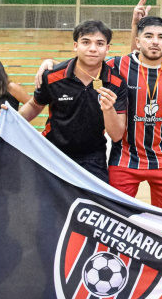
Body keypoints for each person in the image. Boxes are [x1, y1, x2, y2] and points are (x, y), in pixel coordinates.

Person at [19, 20, 128, 183]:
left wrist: (108, 109)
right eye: (86, 42)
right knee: (48, 205)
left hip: (92, 158)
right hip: (52, 153)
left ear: (107, 49)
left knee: (92, 206)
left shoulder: (116, 83)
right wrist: (10, 120)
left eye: (100, 43)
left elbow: (117, 134)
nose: (92, 48)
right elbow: (35, 106)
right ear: (76, 46)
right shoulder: (53, 76)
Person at [104, 16, 162, 213]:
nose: (155, 41)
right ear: (138, 41)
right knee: (115, 216)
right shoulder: (116, 65)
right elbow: (84, 68)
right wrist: (50, 63)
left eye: (161, 37)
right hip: (124, 157)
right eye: (148, 36)